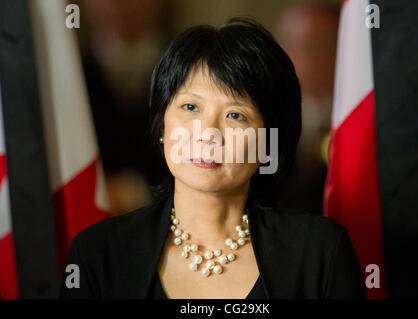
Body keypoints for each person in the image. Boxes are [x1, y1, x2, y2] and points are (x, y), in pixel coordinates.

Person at [60, 17, 366, 299]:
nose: (208, 133)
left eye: (235, 115)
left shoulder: (320, 254)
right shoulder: (97, 254)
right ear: (162, 125)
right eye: (191, 107)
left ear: (270, 142)